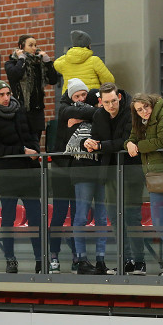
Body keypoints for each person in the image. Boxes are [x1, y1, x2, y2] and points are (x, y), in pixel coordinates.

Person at [0, 81, 41, 273]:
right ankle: (10, 260)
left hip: (29, 174)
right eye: (1, 94)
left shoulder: (19, 110)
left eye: (8, 93)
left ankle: (40, 259)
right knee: (8, 219)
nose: (6, 97)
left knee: (36, 218)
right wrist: (22, 151)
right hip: (8, 176)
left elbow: (32, 134)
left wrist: (35, 150)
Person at [84, 82, 146, 275]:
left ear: (119, 97)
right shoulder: (98, 115)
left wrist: (102, 146)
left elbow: (125, 141)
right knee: (115, 217)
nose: (111, 105)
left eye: (113, 101)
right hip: (109, 172)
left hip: (131, 171)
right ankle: (125, 260)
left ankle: (139, 261)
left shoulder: (131, 112)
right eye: (106, 102)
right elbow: (95, 138)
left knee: (131, 216)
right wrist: (87, 142)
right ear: (100, 102)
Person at [125, 93, 163, 276]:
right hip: (153, 176)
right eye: (139, 110)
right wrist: (129, 144)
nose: (144, 112)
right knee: (158, 223)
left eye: (146, 107)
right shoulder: (139, 121)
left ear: (151, 103)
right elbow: (131, 138)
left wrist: (139, 147)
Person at [49, 78, 99, 274]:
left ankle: (77, 255)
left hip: (78, 169)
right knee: (60, 213)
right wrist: (85, 115)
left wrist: (81, 117)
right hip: (61, 169)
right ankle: (53, 254)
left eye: (84, 95)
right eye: (77, 96)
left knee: (78, 214)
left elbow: (95, 113)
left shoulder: (80, 109)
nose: (81, 99)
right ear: (71, 97)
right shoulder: (64, 108)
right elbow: (81, 113)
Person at [64, 79, 114, 275]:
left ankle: (100, 259)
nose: (103, 105)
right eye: (100, 102)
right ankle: (82, 260)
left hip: (101, 172)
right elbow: (69, 145)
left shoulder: (106, 121)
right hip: (83, 172)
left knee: (101, 217)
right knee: (81, 216)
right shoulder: (78, 122)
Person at [5, 34, 58, 141]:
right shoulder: (12, 63)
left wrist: (48, 62)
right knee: (24, 142)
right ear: (21, 46)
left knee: (36, 142)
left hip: (37, 110)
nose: (34, 48)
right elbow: (16, 74)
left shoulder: (38, 63)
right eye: (30, 45)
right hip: (21, 109)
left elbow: (53, 80)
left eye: (35, 45)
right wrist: (21, 59)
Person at [54, 30, 115, 94]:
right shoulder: (94, 60)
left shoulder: (64, 62)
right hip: (91, 96)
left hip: (71, 97)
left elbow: (56, 63)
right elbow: (109, 80)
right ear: (88, 45)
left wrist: (69, 54)